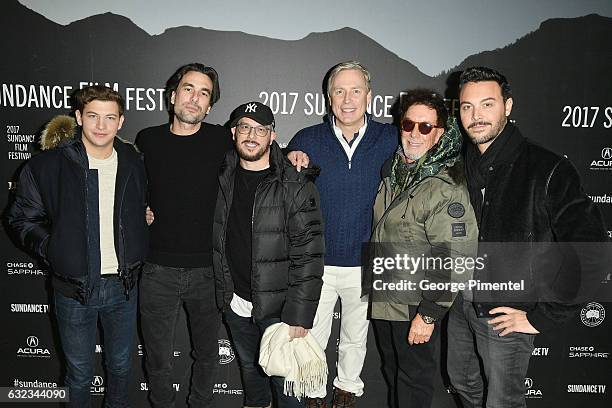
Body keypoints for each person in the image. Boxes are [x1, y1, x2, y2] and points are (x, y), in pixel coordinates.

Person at [447, 66, 608, 408]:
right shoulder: (461, 165)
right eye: (467, 107)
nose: (476, 116)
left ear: (507, 106)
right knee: (462, 382)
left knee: (503, 401)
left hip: (507, 313)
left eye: (487, 104)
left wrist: (541, 315)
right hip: (462, 302)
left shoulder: (547, 169)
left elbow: (593, 251)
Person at [7, 85, 148, 408]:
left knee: (122, 369)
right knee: (79, 374)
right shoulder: (48, 165)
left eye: (109, 117)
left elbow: (141, 208)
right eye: (93, 116)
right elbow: (20, 219)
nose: (101, 125)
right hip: (74, 290)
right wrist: (53, 247)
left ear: (121, 122)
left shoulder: (133, 161)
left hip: (123, 288)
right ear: (78, 117)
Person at [286, 61, 397, 408]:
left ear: (369, 96)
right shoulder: (307, 139)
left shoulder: (389, 138)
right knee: (313, 336)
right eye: (339, 91)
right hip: (317, 259)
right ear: (328, 97)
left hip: (366, 259)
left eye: (355, 90)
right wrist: (288, 160)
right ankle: (315, 393)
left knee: (355, 336)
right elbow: (282, 191)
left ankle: (347, 388)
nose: (347, 99)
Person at [367, 89, 477, 408]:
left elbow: (455, 256)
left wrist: (428, 314)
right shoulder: (393, 175)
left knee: (413, 385)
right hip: (386, 299)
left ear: (439, 134)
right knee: (393, 374)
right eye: (408, 124)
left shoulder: (446, 187)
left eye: (425, 127)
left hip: (416, 306)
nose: (414, 134)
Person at [212, 101, 325, 408]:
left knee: (286, 384)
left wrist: (298, 315)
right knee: (250, 370)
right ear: (234, 132)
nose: (252, 135)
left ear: (272, 136)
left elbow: (310, 256)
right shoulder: (222, 176)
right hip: (236, 302)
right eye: (245, 127)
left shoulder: (295, 185)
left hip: (279, 309)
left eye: (260, 129)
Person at [136, 63, 231, 408]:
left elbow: (261, 154)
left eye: (204, 93)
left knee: (207, 356)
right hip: (157, 270)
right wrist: (139, 211)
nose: (195, 98)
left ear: (209, 106)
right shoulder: (147, 140)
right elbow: (131, 190)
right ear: (173, 95)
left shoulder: (223, 139)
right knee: (158, 360)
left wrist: (292, 153)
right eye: (188, 88)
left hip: (208, 271)